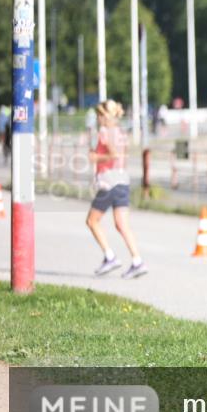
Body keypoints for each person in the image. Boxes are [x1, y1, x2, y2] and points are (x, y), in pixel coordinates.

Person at [86, 100, 147, 279]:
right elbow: (123, 157)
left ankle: (110, 256)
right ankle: (137, 261)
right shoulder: (121, 133)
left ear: (106, 116)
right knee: (122, 225)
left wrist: (96, 157)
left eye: (100, 115)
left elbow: (113, 155)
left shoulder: (104, 132)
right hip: (122, 180)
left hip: (109, 181)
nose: (98, 118)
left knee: (92, 221)